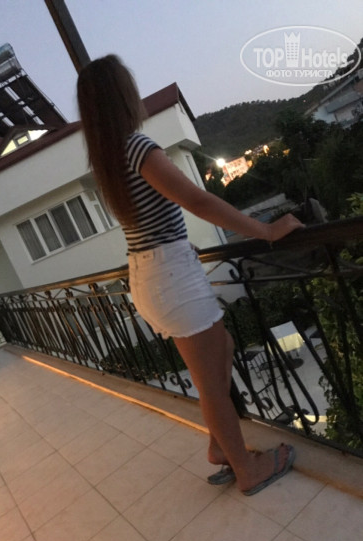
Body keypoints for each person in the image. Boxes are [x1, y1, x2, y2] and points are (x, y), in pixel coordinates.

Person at [77, 54, 303, 495]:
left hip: (155, 273)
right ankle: (246, 469)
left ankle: (221, 447)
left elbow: (148, 221)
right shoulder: (136, 147)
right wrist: (266, 230)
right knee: (211, 382)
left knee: (221, 351)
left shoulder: (107, 160)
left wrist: (179, 250)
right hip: (169, 276)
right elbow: (197, 201)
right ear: (122, 95)